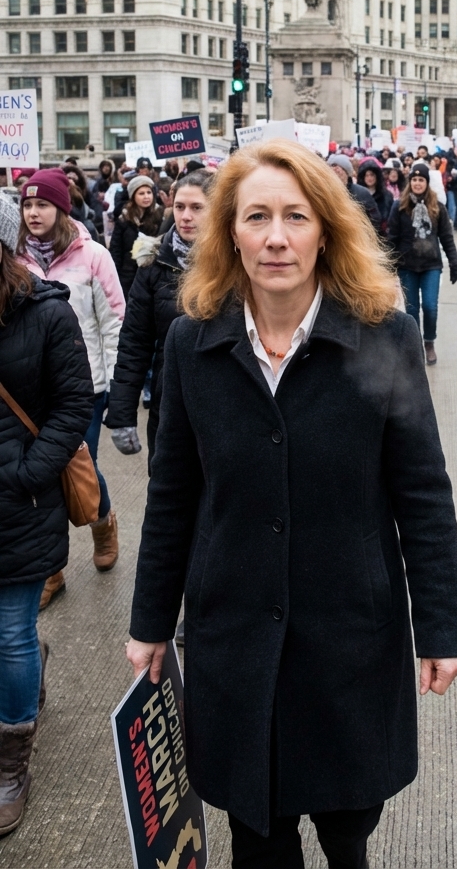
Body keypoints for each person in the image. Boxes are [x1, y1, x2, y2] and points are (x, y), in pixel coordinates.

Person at [126, 139, 457, 867]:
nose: (276, 237)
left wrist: (440, 628)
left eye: (296, 216)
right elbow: (174, 496)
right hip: (234, 638)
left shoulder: (383, 337)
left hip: (349, 637)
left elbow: (422, 494)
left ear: (327, 229)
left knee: (347, 831)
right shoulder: (192, 343)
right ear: (229, 233)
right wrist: (150, 624)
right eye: (256, 217)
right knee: (256, 833)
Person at [0, 191, 94, 836]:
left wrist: (30, 474)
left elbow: (71, 404)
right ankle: (27, 675)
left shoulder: (44, 313)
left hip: (19, 502)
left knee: (7, 632)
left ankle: (10, 763)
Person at [17, 169, 125, 604]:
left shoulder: (93, 255)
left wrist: (119, 384)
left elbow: (115, 322)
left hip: (84, 388)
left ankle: (102, 522)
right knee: (40, 480)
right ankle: (52, 571)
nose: (33, 212)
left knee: (77, 469)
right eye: (27, 205)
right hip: (28, 392)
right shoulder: (13, 257)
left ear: (62, 209)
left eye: (42, 204)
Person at [106, 171, 214, 470]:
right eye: (179, 207)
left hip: (225, 407)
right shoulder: (154, 264)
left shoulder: (238, 261)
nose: (186, 216)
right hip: (168, 405)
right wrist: (122, 414)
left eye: (196, 208)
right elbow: (134, 342)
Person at [387, 161, 457, 366]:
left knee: (429, 307)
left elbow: (446, 237)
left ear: (427, 183)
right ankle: (415, 346)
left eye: (421, 180)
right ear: (410, 182)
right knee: (411, 311)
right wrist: (387, 266)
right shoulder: (399, 206)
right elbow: (392, 236)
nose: (418, 183)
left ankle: (429, 341)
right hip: (407, 265)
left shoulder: (438, 206)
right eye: (415, 180)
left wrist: (454, 263)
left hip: (431, 265)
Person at [109, 175, 164, 296]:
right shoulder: (124, 218)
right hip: (127, 275)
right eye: (141, 193)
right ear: (133, 196)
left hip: (151, 274)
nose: (146, 196)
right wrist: (114, 274)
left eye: (149, 192)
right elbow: (116, 248)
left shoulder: (160, 216)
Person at [326, 152, 381, 232]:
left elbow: (375, 219)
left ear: (347, 173)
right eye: (332, 168)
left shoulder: (361, 193)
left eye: (339, 169)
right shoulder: (325, 193)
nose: (336, 172)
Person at [356, 158, 393, 232]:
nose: (369, 178)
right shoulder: (358, 194)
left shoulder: (387, 195)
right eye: (366, 175)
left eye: (372, 175)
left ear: (377, 176)